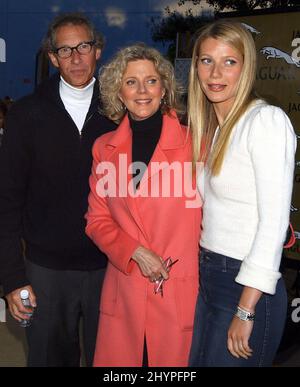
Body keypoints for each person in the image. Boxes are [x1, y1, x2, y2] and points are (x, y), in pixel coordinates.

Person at [0, 13, 116, 367]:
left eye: (83, 46)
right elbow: (6, 203)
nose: (76, 57)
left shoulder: (122, 111)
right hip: (46, 271)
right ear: (52, 58)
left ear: (97, 51)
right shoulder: (25, 115)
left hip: (111, 268)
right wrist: (12, 278)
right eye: (65, 50)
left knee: (110, 362)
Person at [187, 20, 297, 367]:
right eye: (206, 60)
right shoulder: (217, 130)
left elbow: (273, 225)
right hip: (211, 277)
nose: (216, 72)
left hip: (246, 286)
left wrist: (246, 309)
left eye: (229, 61)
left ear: (246, 67)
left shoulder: (265, 121)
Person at [85, 44, 202, 367]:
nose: (141, 91)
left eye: (150, 81)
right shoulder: (103, 149)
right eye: (131, 82)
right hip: (126, 292)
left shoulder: (197, 143)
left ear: (164, 88)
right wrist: (135, 250)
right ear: (118, 92)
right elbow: (96, 220)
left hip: (181, 293)